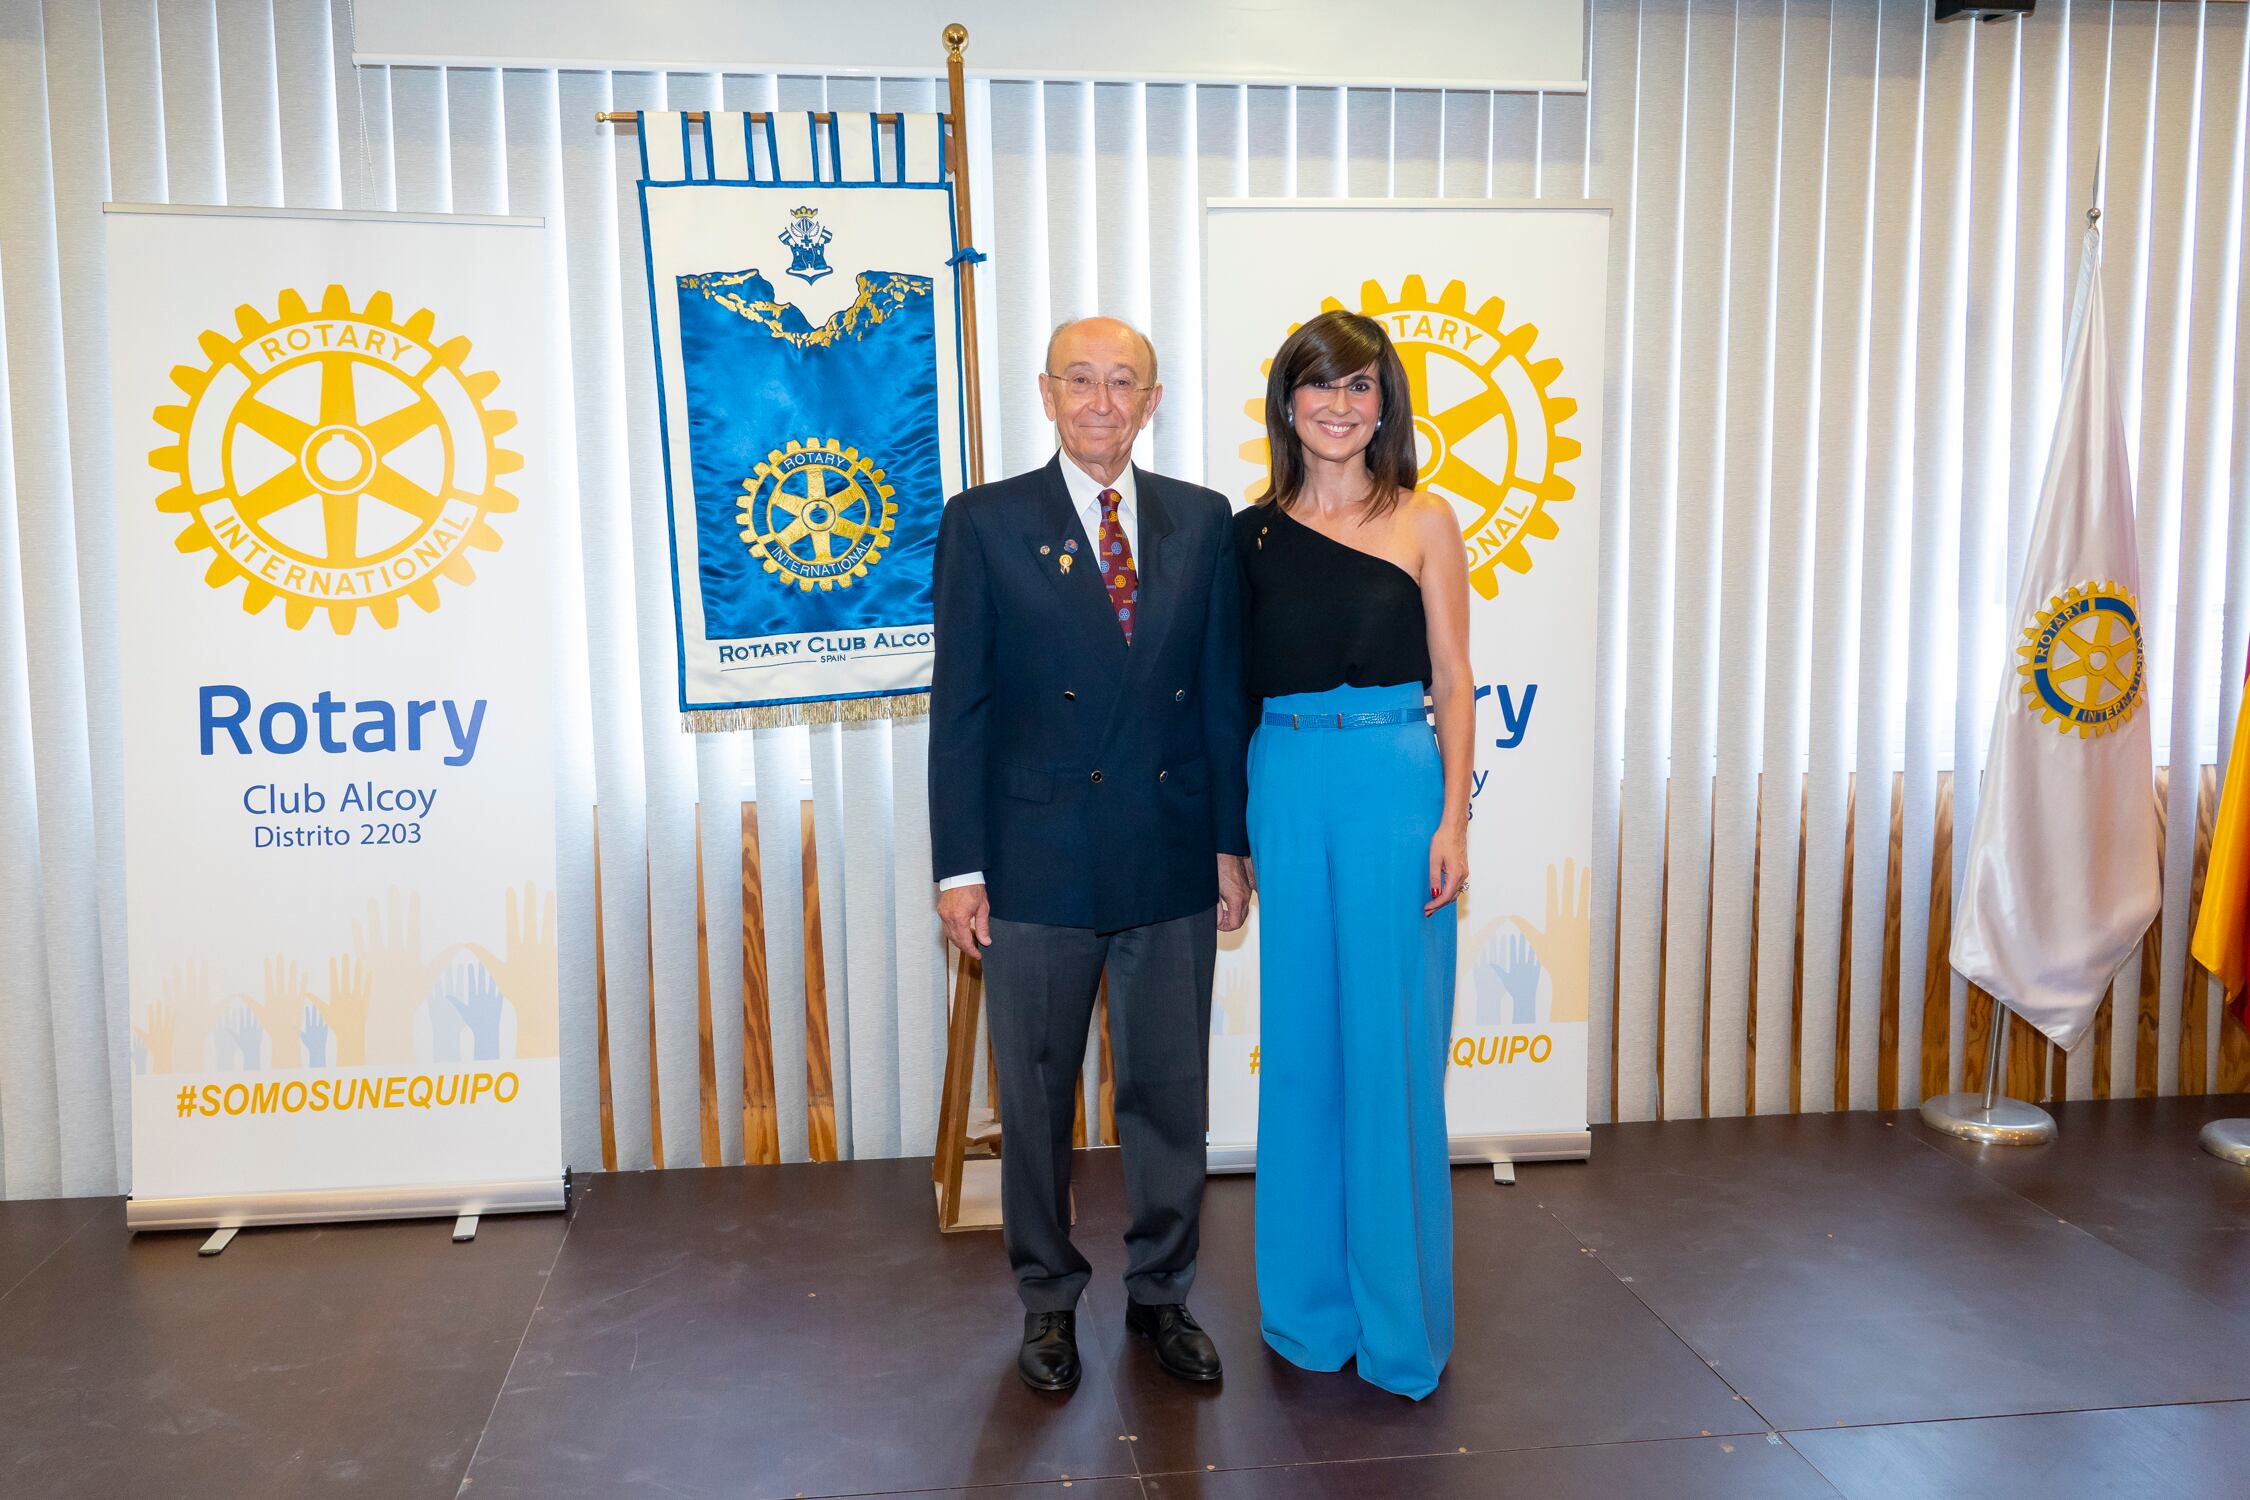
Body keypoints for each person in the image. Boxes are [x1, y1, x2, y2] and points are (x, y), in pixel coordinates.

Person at [929, 316, 1254, 1395]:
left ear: (1153, 401)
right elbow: (960, 709)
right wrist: (958, 865)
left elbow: (1217, 699)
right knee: (1035, 1096)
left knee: (1168, 1095)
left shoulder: (1202, 522)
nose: (1102, 401)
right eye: (1082, 379)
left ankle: (1162, 1295)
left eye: (1125, 382)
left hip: (1167, 854)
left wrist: (1226, 844)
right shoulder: (982, 523)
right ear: (1047, 391)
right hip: (1035, 861)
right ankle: (1047, 1303)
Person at [1235, 309, 1472, 1400]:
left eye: (1362, 387)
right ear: (1289, 403)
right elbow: (1232, 693)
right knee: (1304, 1051)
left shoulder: (1427, 520)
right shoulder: (1247, 537)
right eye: (1321, 386)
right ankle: (1306, 1312)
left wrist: (1454, 822)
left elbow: (1456, 677)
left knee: (1390, 1051)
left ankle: (1396, 1319)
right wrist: (1228, 848)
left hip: (1392, 784)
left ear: (1386, 403)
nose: (1341, 405)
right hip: (1285, 782)